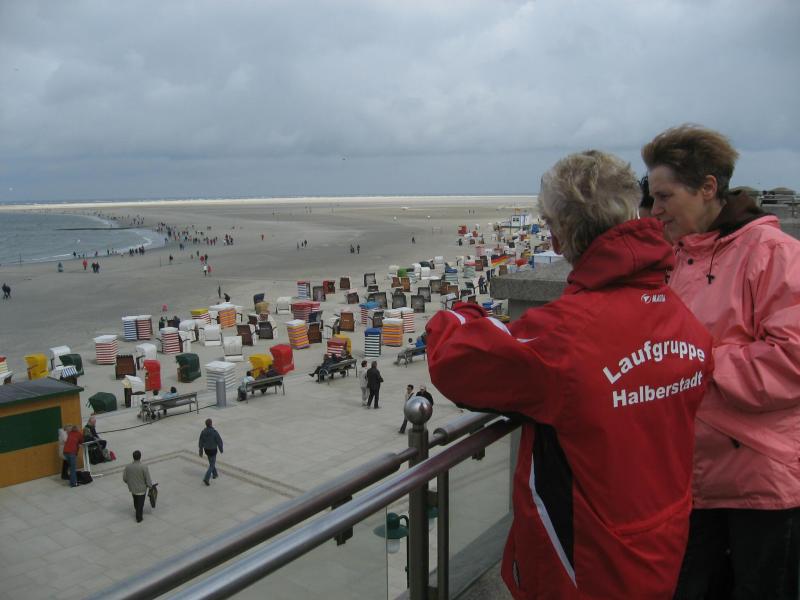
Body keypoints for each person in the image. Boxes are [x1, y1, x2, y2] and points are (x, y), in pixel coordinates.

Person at [426, 150, 713, 598]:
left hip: (589, 563)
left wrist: (461, 313)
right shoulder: (681, 316)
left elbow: (455, 360)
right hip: (664, 537)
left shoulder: (566, 336)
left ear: (558, 239)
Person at [643, 125, 800, 599]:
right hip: (689, 479)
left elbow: (791, 359)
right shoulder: (673, 258)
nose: (655, 209)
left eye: (665, 196)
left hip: (762, 483)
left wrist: (698, 363)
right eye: (652, 197)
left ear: (708, 187)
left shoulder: (774, 254)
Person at [122, 450, 153, 523]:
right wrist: (150, 486)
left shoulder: (128, 467)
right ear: (140, 457)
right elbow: (147, 478)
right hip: (142, 489)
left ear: (133, 457)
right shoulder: (143, 467)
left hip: (133, 489)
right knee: (140, 503)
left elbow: (125, 478)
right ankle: (139, 517)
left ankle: (137, 510)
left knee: (135, 500)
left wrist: (130, 483)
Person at [199, 418, 223, 486]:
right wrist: (221, 449)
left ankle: (215, 474)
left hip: (206, 450)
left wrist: (201, 450)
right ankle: (206, 478)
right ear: (211, 424)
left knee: (211, 462)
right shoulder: (214, 432)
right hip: (213, 450)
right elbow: (219, 441)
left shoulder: (203, 432)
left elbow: (201, 441)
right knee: (212, 465)